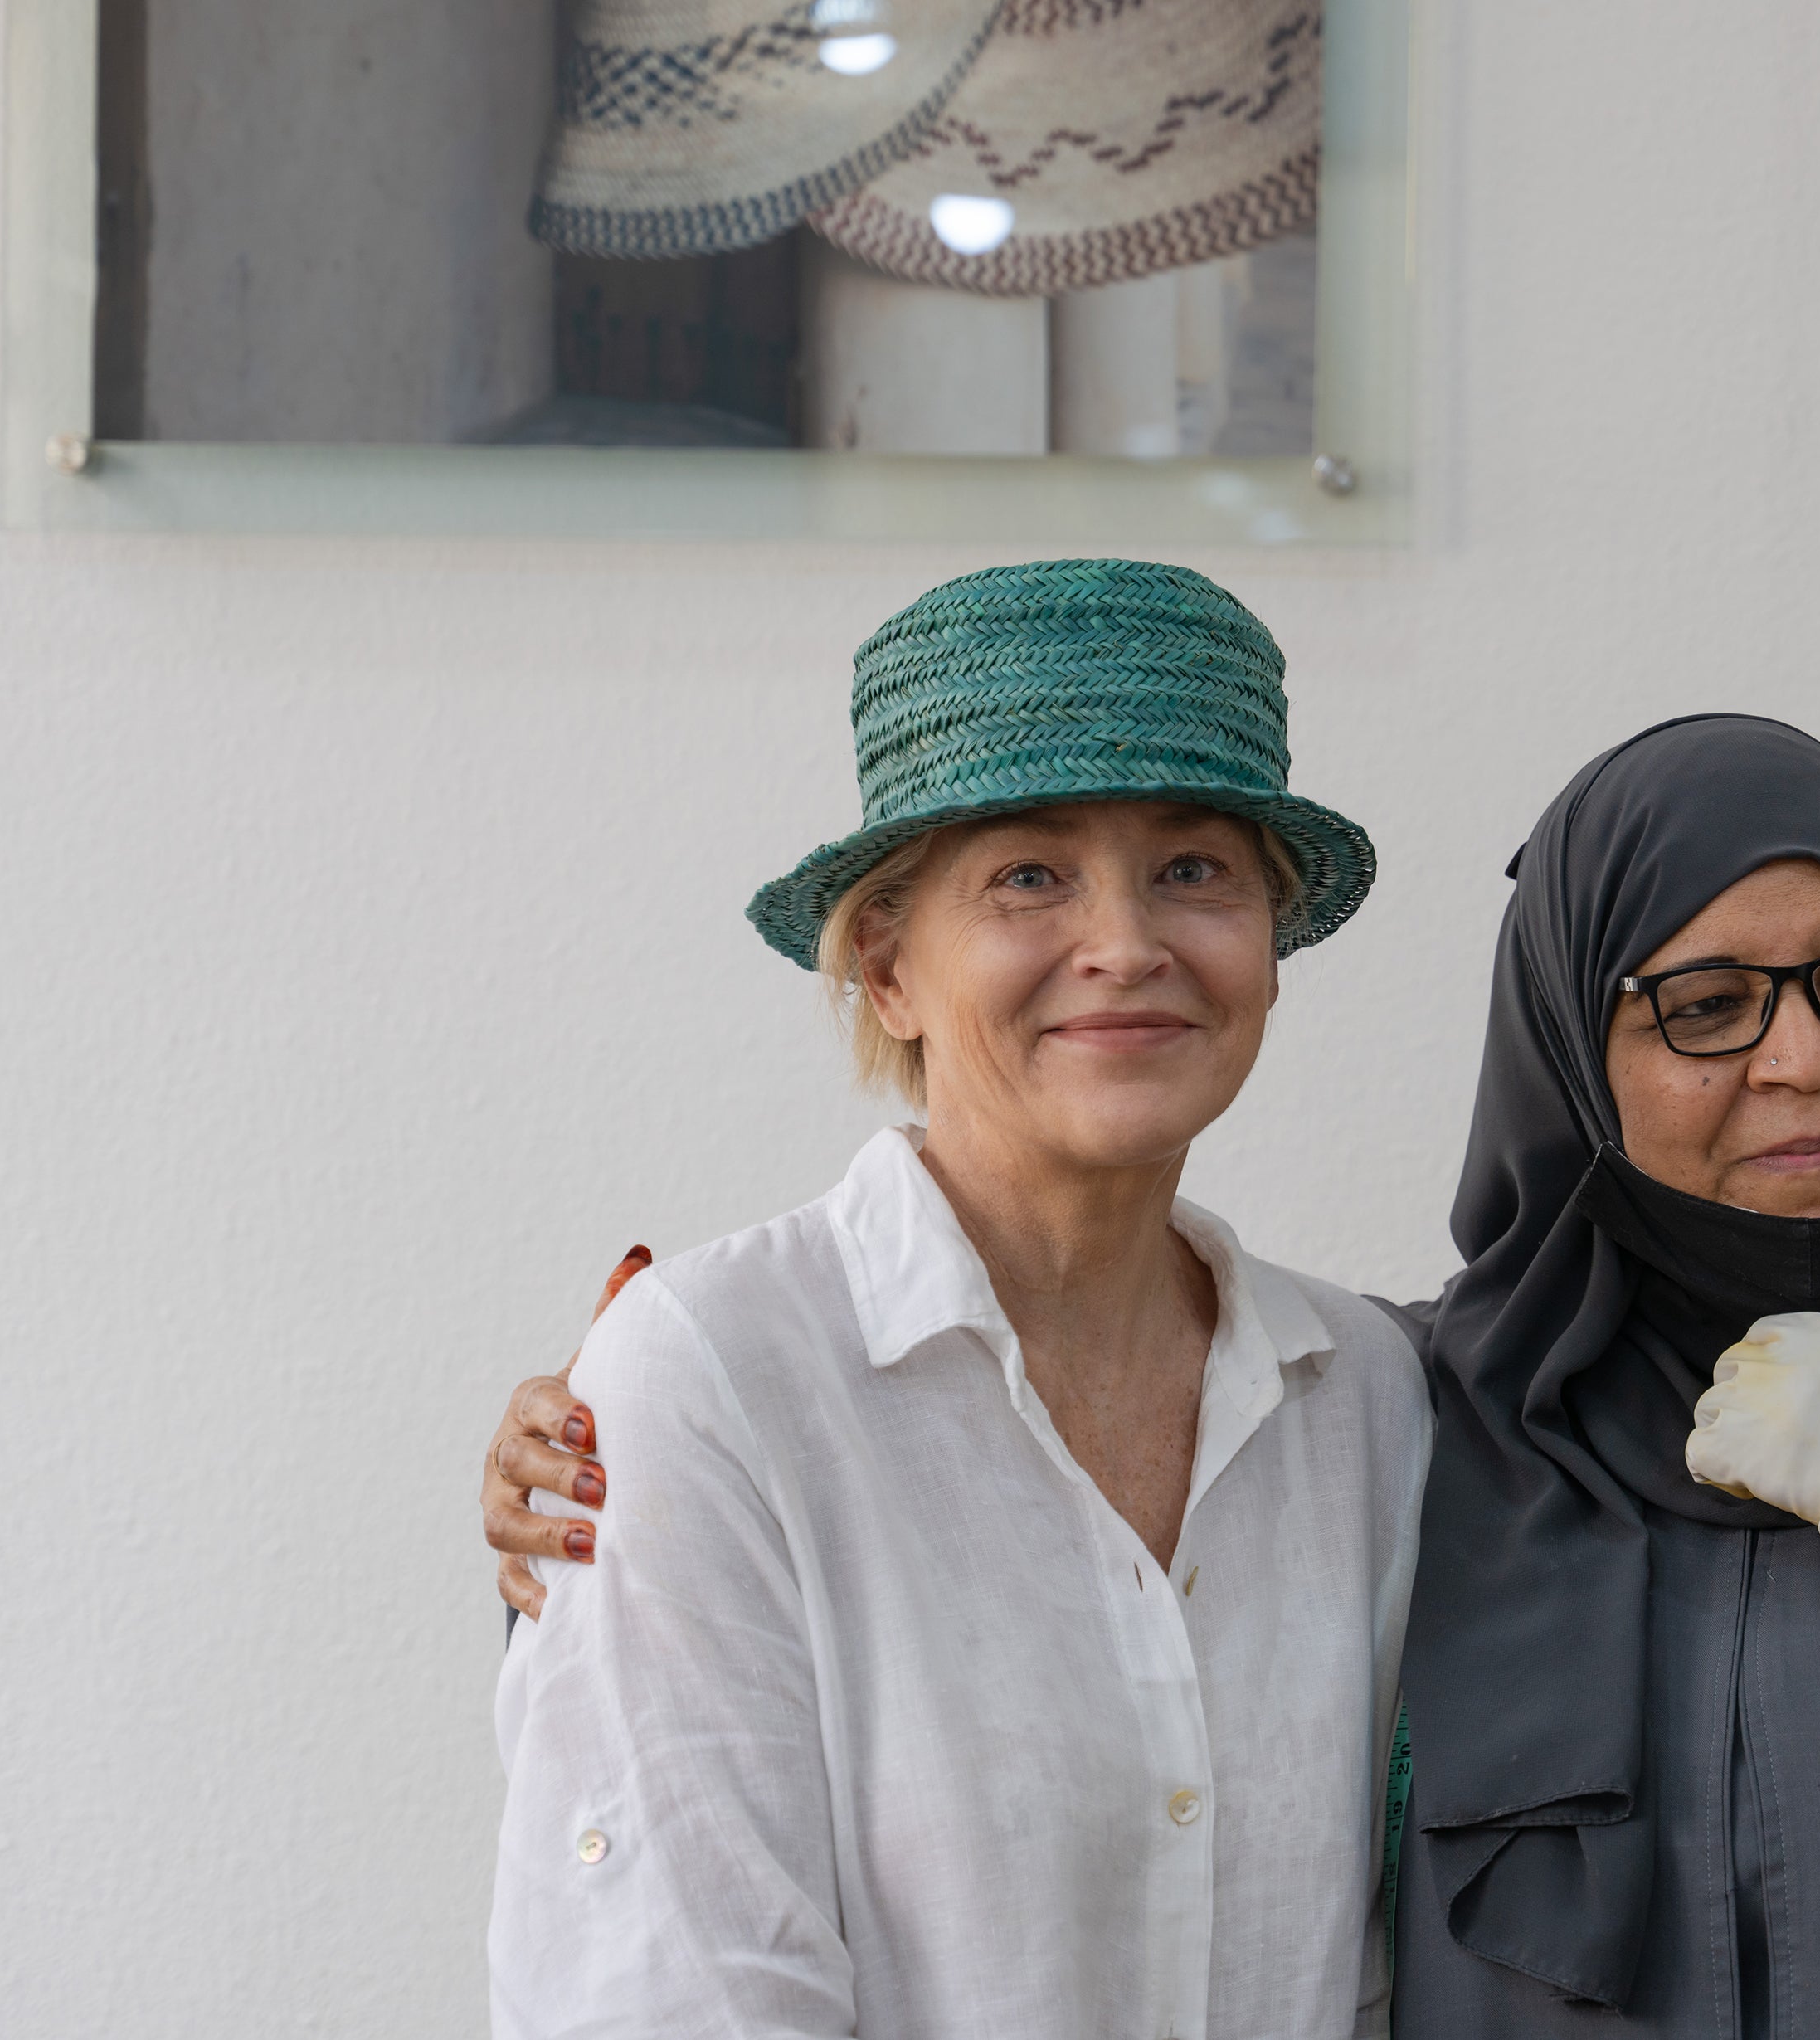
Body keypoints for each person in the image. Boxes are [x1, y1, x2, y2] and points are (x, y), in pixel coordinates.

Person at [488, 714, 1820, 2038]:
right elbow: (1054, 1638)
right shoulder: (1403, 1416)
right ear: (1568, 1053)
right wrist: (604, 1510)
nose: (1804, 1055)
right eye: (1699, 998)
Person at [484, 556, 1428, 2040]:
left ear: (1271, 947)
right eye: (1029, 877)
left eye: (1195, 869)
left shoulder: (1369, 1394)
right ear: (887, 966)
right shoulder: (709, 1382)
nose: (1125, 944)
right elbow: (678, 1997)